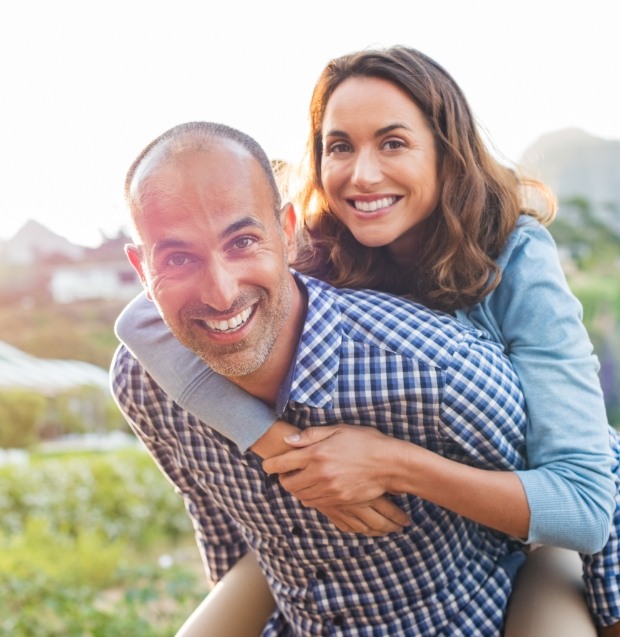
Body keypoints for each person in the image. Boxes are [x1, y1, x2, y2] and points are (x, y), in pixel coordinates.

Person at [115, 47, 620, 635]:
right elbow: (141, 323)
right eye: (340, 146)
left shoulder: (515, 259)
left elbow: (585, 483)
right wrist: (277, 445)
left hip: (516, 517)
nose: (362, 174)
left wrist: (392, 463)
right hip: (356, 547)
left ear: (445, 153)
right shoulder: (316, 247)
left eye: (393, 143)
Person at [113, 120, 550, 635]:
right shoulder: (144, 385)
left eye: (243, 242)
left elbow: (588, 484)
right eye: (179, 257)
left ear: (288, 229)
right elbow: (223, 534)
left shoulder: (435, 371)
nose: (220, 292)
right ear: (142, 270)